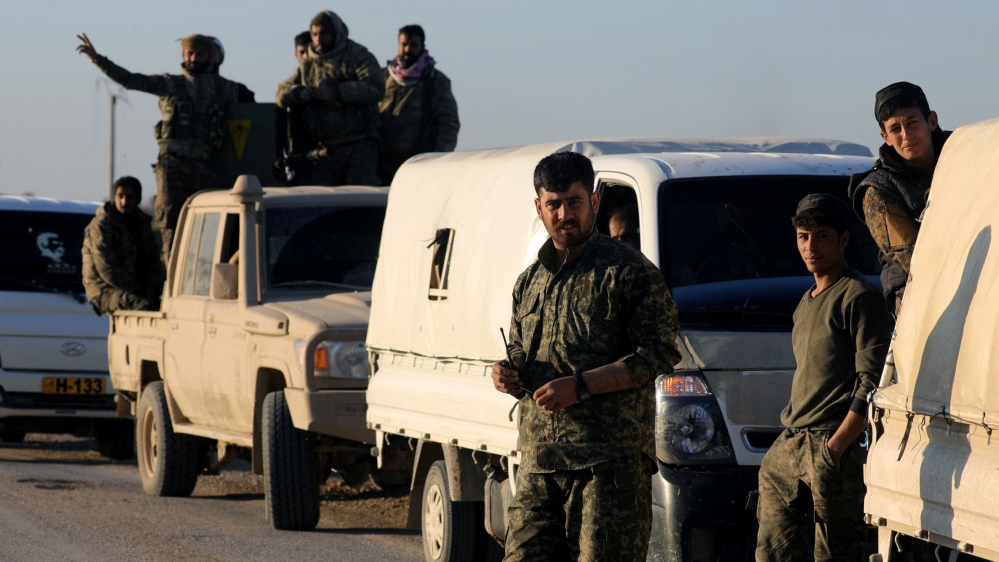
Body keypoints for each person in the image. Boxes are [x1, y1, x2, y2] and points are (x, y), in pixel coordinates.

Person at [490, 152, 681, 561]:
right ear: (538, 207)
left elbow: (660, 353)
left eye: (574, 202)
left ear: (594, 202)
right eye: (554, 204)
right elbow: (521, 345)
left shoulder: (629, 271)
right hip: (540, 459)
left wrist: (580, 386)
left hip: (607, 464)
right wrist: (510, 371)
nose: (564, 214)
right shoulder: (530, 281)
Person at [755, 194, 892, 561]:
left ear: (843, 239)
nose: (810, 246)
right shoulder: (806, 301)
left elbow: (873, 381)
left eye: (821, 236)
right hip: (792, 443)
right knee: (772, 551)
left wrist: (836, 447)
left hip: (832, 444)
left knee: (833, 554)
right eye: (803, 236)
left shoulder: (859, 297)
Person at [76, 32, 255, 263]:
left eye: (200, 54)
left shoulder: (226, 89)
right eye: (190, 53)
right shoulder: (169, 84)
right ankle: (172, 270)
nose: (194, 58)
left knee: (216, 216)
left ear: (209, 57)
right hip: (172, 164)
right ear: (183, 55)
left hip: (204, 164)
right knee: (170, 221)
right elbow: (130, 80)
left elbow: (254, 109)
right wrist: (98, 59)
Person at [847, 82, 951, 317]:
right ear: (885, 136)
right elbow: (915, 259)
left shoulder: (966, 157)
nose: (907, 135)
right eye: (896, 129)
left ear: (931, 121)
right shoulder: (877, 191)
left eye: (913, 123)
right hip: (924, 308)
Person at [276, 11, 384, 186]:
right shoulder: (309, 63)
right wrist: (300, 93)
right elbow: (282, 92)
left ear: (335, 34)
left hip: (359, 144)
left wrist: (338, 92)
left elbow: (376, 88)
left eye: (324, 33)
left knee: (361, 199)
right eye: (315, 34)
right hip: (324, 150)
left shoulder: (356, 55)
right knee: (323, 201)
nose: (319, 39)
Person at [378, 24, 460, 185]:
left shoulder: (435, 81)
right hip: (381, 161)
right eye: (404, 44)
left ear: (422, 46)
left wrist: (439, 159)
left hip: (418, 162)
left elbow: (448, 122)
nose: (408, 49)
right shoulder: (383, 77)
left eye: (413, 45)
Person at [82, 177, 165, 315]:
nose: (124, 202)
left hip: (134, 288)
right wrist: (135, 291)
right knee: (140, 306)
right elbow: (106, 267)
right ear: (115, 197)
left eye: (129, 197)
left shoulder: (142, 225)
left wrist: (156, 289)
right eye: (121, 197)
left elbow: (153, 262)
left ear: (138, 199)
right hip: (104, 290)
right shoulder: (101, 225)